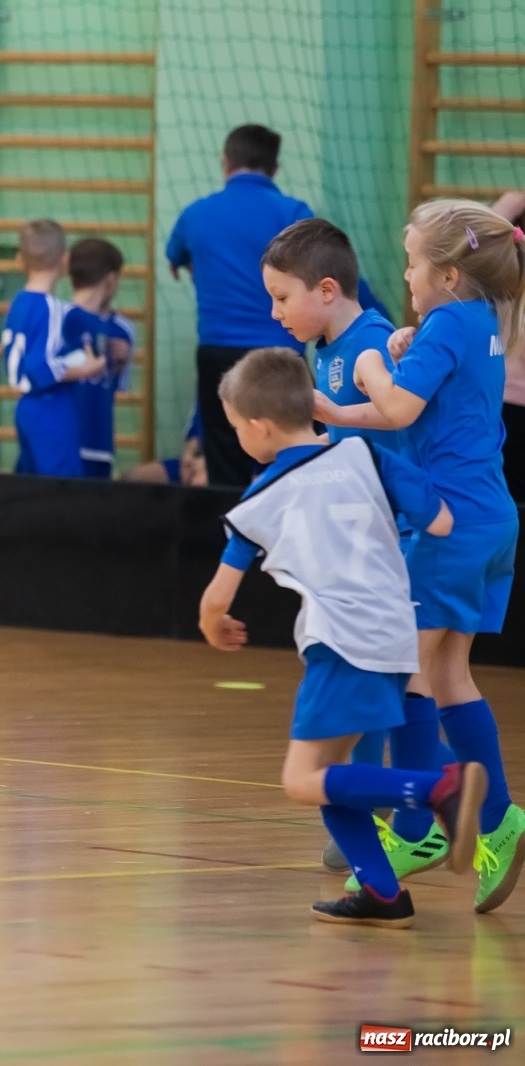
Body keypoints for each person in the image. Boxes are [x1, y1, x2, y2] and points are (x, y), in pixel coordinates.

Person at [199, 347, 482, 927]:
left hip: (342, 645)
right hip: (397, 633)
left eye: (235, 428)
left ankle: (437, 790)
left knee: (301, 780)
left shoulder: (259, 500)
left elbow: (216, 600)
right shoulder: (366, 455)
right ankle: (381, 892)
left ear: (259, 427)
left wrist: (215, 627)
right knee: (335, 776)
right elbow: (442, 522)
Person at [315, 198, 524, 913]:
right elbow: (421, 402)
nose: (404, 275)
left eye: (410, 264)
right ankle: (497, 823)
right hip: (491, 516)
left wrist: (371, 363)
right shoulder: (480, 321)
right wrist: (342, 412)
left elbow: (399, 410)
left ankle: (420, 826)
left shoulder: (445, 323)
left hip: (449, 521)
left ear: (448, 275)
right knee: (445, 671)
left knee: (404, 674)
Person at [261, 216, 456, 879]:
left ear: (324, 289)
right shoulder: (325, 347)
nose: (274, 311)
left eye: (282, 298)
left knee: (383, 680)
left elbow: (393, 432)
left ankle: (414, 815)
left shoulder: (370, 342)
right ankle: (405, 811)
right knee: (384, 681)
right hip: (359, 543)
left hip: (392, 540)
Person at [166, 124, 388, 486]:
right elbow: (333, 270)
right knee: (300, 455)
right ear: (275, 168)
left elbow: (174, 260)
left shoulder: (195, 214)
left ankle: (233, 537)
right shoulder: (293, 211)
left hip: (217, 352)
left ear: (226, 163)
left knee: (224, 464)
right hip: (280, 358)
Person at [4, 220, 105, 477]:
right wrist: (84, 368)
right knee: (63, 490)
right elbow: (41, 367)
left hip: (26, 406)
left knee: (31, 487)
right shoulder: (50, 308)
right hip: (49, 407)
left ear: (20, 260)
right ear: (65, 260)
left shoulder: (19, 301)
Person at [62, 239, 134, 478]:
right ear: (111, 280)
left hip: (100, 444)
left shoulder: (122, 330)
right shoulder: (60, 320)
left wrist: (121, 364)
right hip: (62, 443)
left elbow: (116, 388)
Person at [492, 190, 525, 501]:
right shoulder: (503, 288)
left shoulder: (499, 285)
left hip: (499, 406)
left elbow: (476, 240)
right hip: (505, 407)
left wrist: (511, 203)